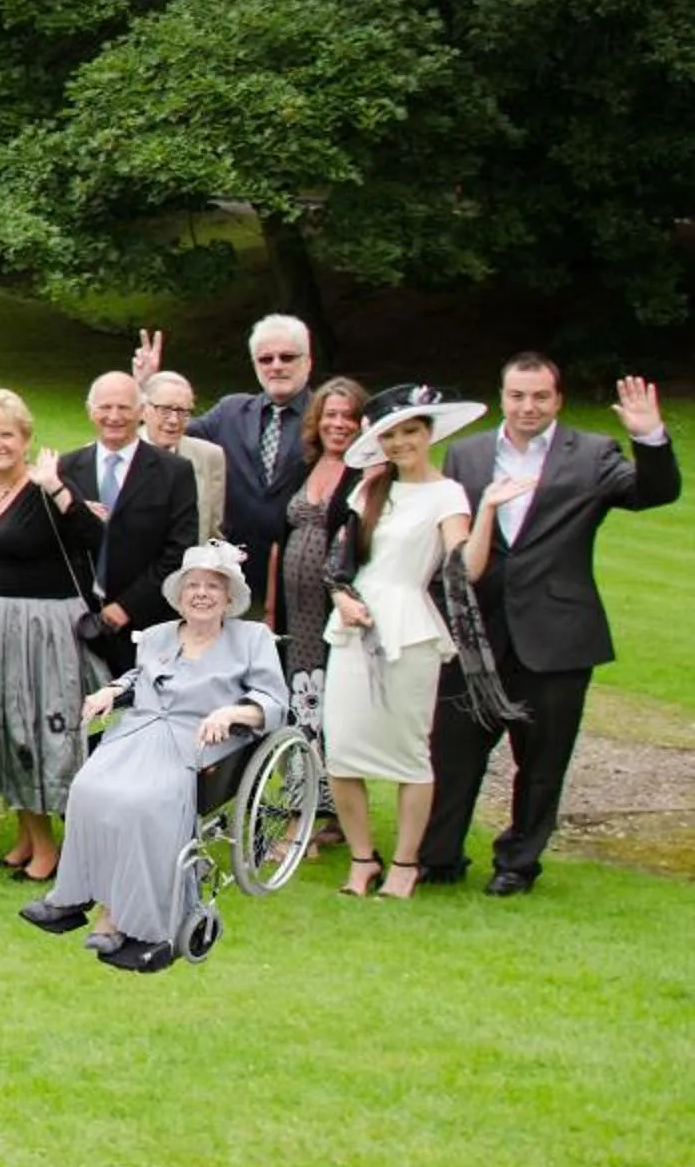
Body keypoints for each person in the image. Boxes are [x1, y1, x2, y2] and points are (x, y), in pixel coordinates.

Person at [420, 362, 676, 895]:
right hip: (476, 632)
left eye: (540, 396)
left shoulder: (591, 454)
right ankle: (439, 857)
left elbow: (653, 493)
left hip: (557, 635)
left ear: (558, 399)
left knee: (541, 762)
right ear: (502, 396)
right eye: (517, 395)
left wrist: (649, 437)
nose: (528, 407)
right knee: (453, 751)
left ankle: (517, 864)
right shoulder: (468, 454)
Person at [22, 541, 287, 972]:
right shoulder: (159, 634)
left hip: (200, 739)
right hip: (140, 730)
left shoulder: (251, 639)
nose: (201, 594)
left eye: (213, 586)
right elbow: (139, 676)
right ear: (180, 595)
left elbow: (273, 700)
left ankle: (118, 917)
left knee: (143, 803)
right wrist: (111, 690)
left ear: (229, 597)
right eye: (193, 586)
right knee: (88, 790)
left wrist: (231, 712)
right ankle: (73, 896)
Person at [320, 384, 496, 901]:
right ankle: (362, 858)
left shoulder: (448, 494)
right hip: (354, 627)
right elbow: (340, 563)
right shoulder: (370, 490)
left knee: (409, 752)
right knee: (342, 752)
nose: (400, 443)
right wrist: (342, 598)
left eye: (410, 432)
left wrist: (488, 511)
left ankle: (405, 862)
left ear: (428, 433)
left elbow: (465, 568)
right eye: (390, 435)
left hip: (409, 628)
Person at [0, 389, 99, 883]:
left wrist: (59, 491)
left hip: (37, 635)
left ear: (26, 439)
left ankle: (48, 849)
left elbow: (95, 540)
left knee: (30, 734)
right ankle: (26, 837)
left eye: (6, 434)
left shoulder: (46, 491)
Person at [143, 314, 311, 611]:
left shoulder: (326, 417)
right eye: (266, 359)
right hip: (230, 575)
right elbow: (167, 431)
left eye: (287, 357)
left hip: (297, 574)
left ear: (307, 361)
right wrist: (149, 389)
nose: (276, 366)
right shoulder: (231, 411)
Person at [58, 372, 200, 680]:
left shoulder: (174, 471)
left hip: (147, 624)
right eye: (105, 407)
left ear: (141, 411)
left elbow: (179, 551)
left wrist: (125, 608)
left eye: (124, 407)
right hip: (78, 622)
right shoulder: (65, 469)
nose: (114, 416)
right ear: (90, 410)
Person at [276, 377, 370, 704]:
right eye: (330, 415)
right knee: (294, 679)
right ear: (317, 420)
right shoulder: (303, 466)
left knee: (330, 684)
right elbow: (279, 537)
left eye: (349, 416)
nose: (338, 424)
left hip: (333, 602)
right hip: (293, 604)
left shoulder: (367, 474)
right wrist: (271, 606)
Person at [139, 371, 226, 542]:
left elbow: (212, 533)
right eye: (165, 410)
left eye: (183, 412)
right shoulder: (116, 454)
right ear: (142, 410)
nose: (174, 420)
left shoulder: (210, 456)